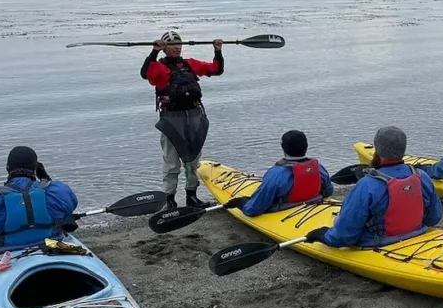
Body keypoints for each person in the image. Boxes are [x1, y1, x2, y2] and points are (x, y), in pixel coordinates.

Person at [303, 126, 442, 247]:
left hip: (377, 242)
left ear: (378, 150)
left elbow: (344, 236)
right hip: (417, 232)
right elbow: (434, 218)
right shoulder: (421, 176)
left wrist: (324, 236)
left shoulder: (367, 185)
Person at [140, 30, 224, 210]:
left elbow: (216, 70)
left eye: (178, 43)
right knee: (171, 163)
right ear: (164, 48)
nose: (176, 47)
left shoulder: (190, 64)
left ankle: (191, 196)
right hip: (171, 119)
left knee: (193, 160)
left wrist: (217, 50)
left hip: (194, 116)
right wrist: (154, 52)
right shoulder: (159, 68)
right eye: (171, 44)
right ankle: (169, 200)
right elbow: (145, 73)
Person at [0, 146, 79, 257]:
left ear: (8, 168)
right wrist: (45, 178)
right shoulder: (58, 192)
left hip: (6, 254)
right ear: (36, 168)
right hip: (53, 244)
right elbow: (70, 206)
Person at [225, 130, 335, 216]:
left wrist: (240, 202)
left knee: (246, 202)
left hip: (285, 208)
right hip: (313, 202)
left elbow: (253, 209)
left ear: (283, 147)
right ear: (306, 146)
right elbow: (328, 191)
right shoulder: (318, 167)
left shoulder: (276, 174)